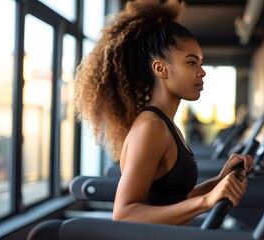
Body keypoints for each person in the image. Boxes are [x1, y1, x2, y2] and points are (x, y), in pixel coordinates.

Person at [74, 0, 253, 226]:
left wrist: (219, 180)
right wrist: (206, 201)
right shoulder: (151, 127)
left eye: (200, 62)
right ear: (160, 69)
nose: (202, 72)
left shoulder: (166, 124)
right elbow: (124, 214)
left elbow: (172, 202)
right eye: (191, 63)